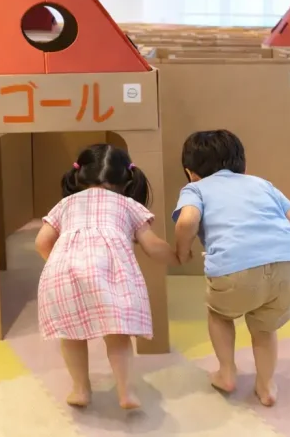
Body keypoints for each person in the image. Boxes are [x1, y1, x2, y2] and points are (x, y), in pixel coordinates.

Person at [173, 130, 290, 407]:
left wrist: (183, 250)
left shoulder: (196, 189)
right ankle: (266, 385)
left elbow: (187, 221)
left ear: (190, 173)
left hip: (234, 267)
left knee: (219, 314)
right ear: (242, 165)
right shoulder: (261, 184)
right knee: (265, 328)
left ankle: (226, 372)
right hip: (287, 264)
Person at [35, 143, 177, 410]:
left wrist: (57, 264)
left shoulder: (64, 204)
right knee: (117, 336)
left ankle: (80, 389)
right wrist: (178, 256)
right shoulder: (127, 205)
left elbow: (42, 242)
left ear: (79, 174)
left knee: (72, 336)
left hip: (64, 274)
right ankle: (126, 392)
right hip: (110, 275)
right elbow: (152, 246)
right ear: (127, 179)